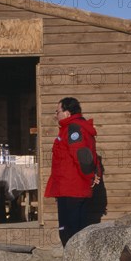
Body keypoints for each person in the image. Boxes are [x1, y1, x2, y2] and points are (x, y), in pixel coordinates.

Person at [45, 97, 101, 247]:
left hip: (72, 188)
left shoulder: (73, 129)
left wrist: (91, 176)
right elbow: (91, 155)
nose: (55, 115)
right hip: (69, 187)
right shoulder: (72, 128)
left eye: (58, 111)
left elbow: (82, 155)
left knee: (69, 231)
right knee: (76, 229)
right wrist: (95, 174)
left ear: (67, 113)